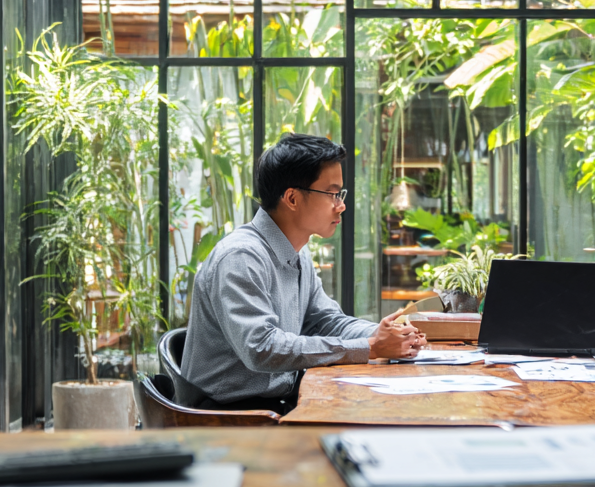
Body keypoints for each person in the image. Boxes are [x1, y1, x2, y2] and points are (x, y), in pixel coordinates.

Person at [178, 133, 425, 410]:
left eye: (340, 194)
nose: (341, 205)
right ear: (292, 198)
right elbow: (262, 348)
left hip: (275, 403)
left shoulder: (296, 253)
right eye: (332, 194)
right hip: (227, 417)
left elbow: (325, 321)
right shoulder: (241, 257)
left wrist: (390, 334)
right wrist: (371, 346)